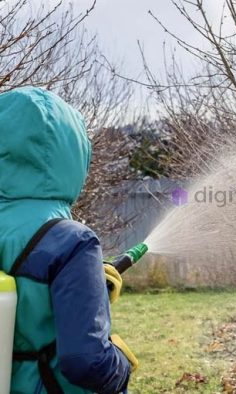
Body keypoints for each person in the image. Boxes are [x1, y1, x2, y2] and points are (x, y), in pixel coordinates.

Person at [0, 87, 137, 394]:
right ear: (72, 154)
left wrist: (89, 286)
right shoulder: (71, 241)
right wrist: (121, 364)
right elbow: (86, 363)